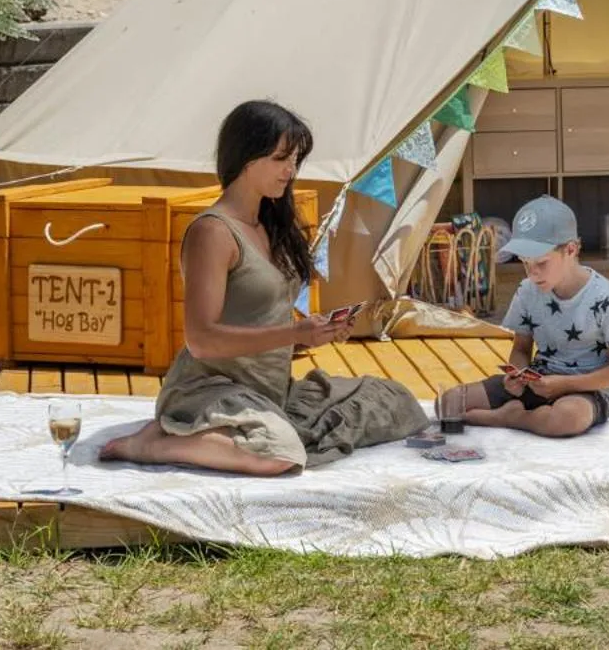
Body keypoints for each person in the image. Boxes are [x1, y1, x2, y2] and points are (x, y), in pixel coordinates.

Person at [99, 101, 427, 474]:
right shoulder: (213, 232)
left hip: (273, 390)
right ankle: (154, 444)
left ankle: (239, 434)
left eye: (295, 160)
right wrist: (294, 331)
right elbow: (202, 340)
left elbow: (261, 323)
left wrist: (313, 335)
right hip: (212, 389)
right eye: (280, 158)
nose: (290, 170)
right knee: (282, 455)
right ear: (245, 158)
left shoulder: (271, 223)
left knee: (399, 403)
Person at [436, 196, 609, 438]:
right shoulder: (527, 290)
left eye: (541, 262)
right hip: (536, 382)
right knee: (448, 403)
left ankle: (511, 418)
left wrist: (565, 385)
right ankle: (522, 414)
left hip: (584, 391)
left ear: (571, 249)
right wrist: (517, 377)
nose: (532, 273)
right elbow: (521, 348)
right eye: (525, 263)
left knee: (566, 419)